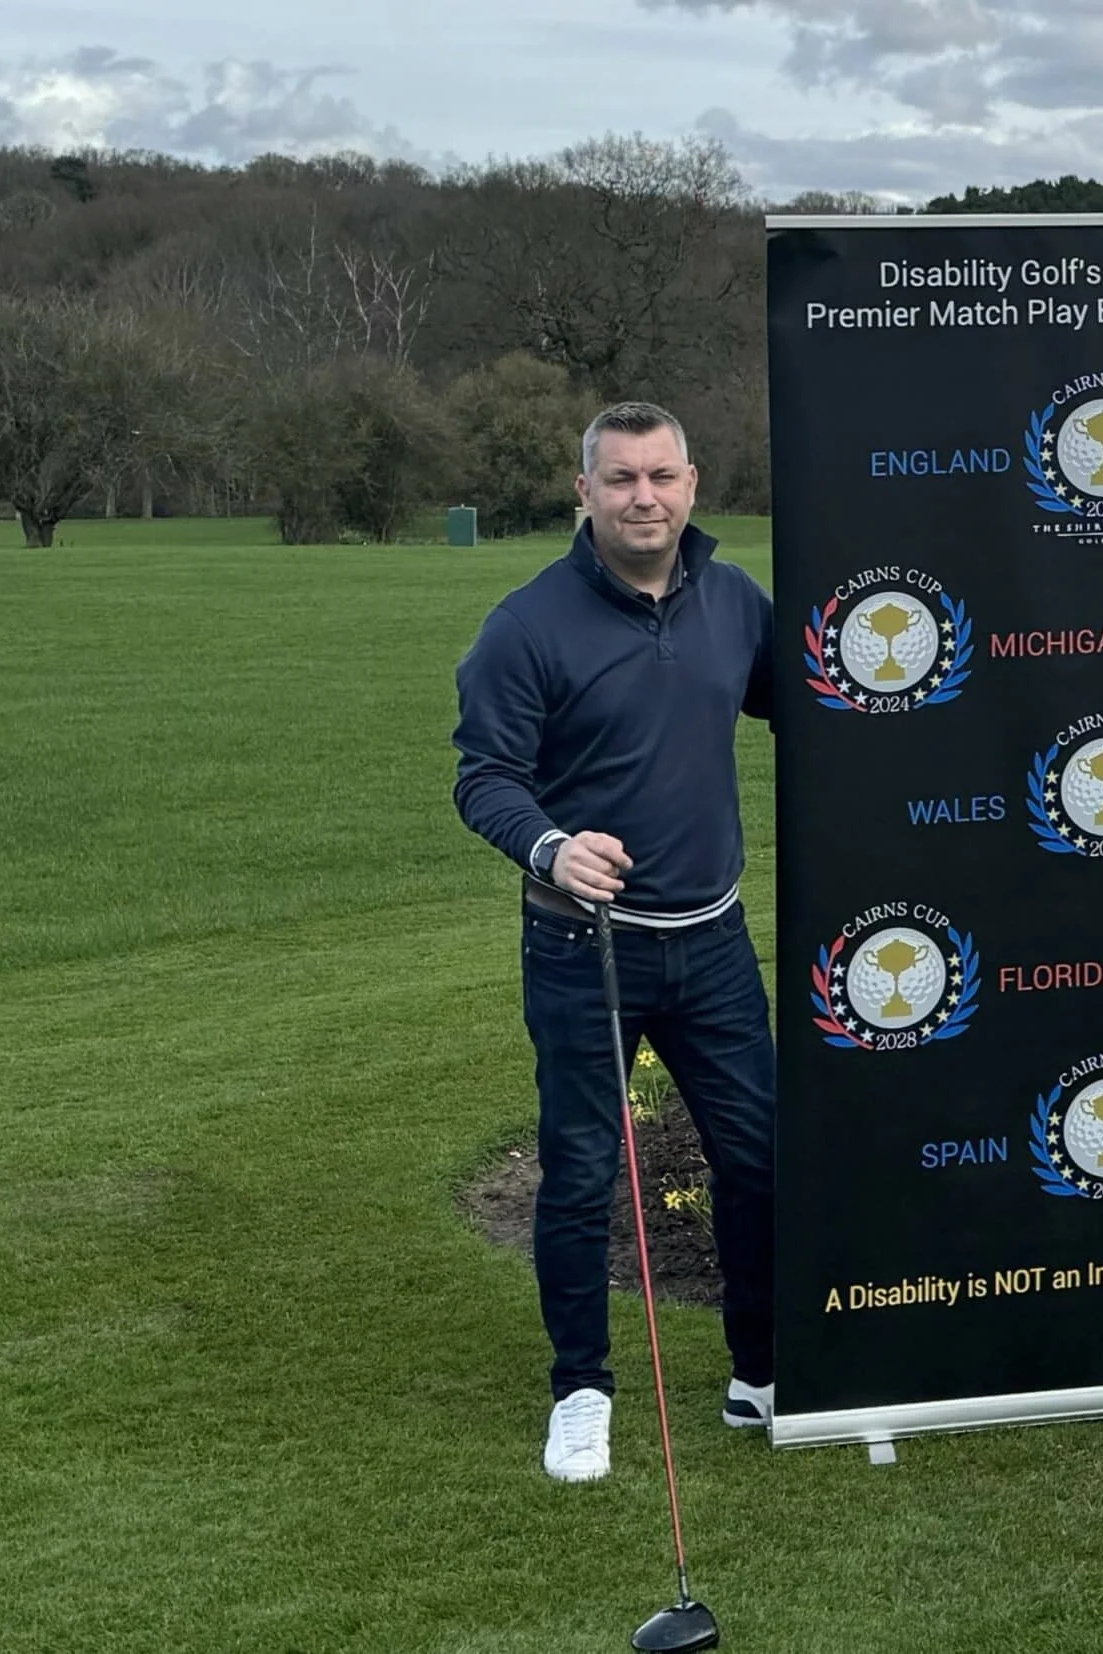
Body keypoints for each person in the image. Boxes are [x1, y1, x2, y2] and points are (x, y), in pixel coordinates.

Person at [452, 401, 779, 1482]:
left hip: (715, 941)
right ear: (582, 492)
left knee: (759, 1159)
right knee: (585, 1170)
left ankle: (762, 1370)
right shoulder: (527, 625)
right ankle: (581, 1391)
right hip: (582, 945)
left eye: (663, 476)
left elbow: (810, 702)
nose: (645, 497)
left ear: (693, 484)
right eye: (621, 479)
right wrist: (549, 847)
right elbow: (484, 776)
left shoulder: (734, 600)